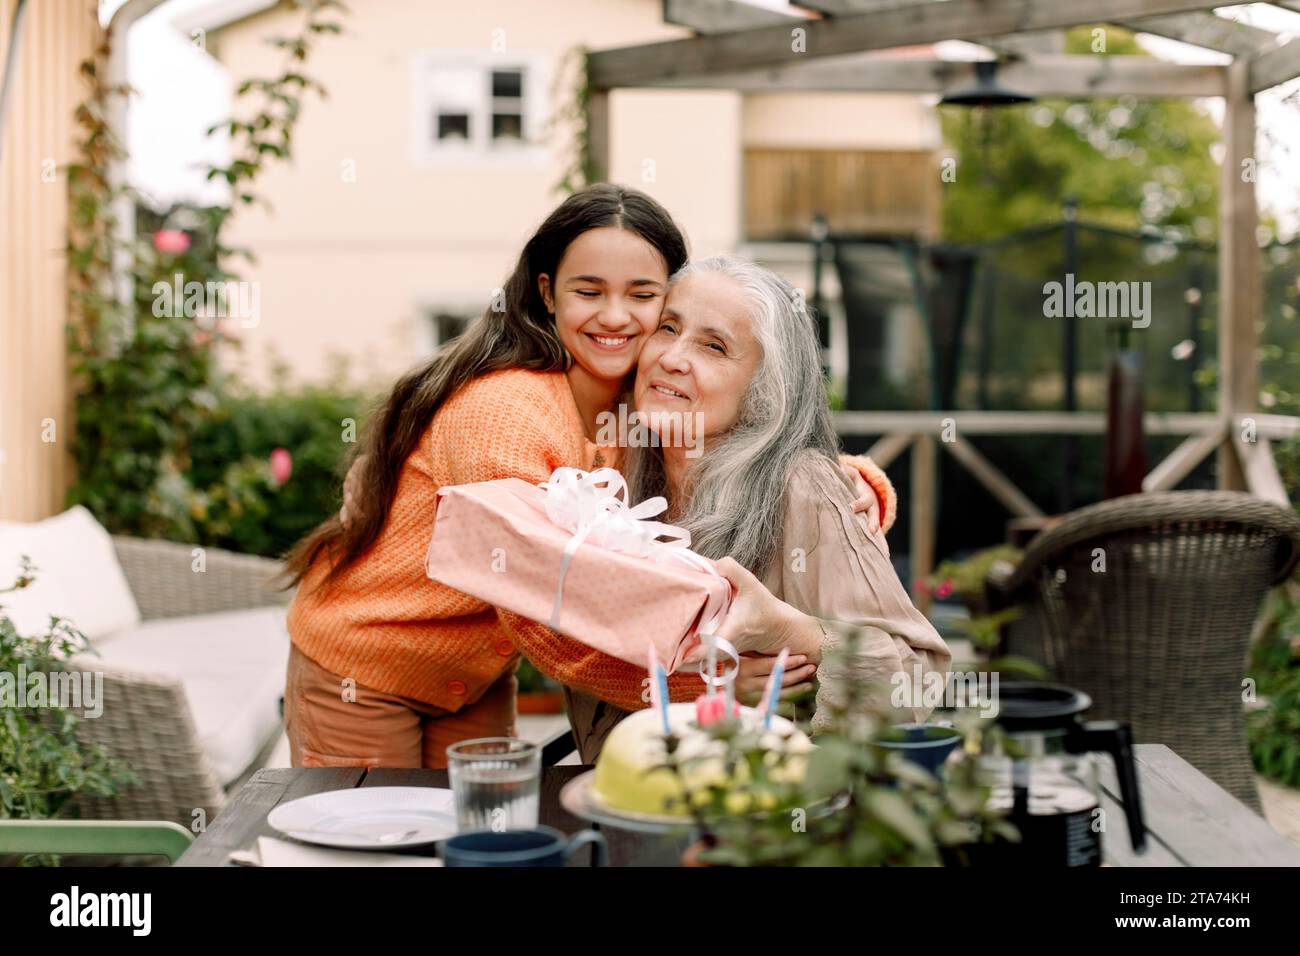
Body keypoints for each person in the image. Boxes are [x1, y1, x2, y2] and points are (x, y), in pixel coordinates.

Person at [563, 255, 952, 761]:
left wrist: (794, 633)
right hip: (637, 800)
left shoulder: (802, 486)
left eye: (714, 346)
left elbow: (918, 681)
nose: (673, 357)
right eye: (668, 328)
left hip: (770, 818)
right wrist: (708, 689)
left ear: (763, 390)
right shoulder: (610, 480)